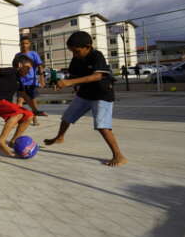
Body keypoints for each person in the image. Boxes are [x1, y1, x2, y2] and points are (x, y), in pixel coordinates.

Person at [44, 31, 127, 167]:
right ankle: (60, 137)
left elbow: (98, 76)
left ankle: (119, 156)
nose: (74, 55)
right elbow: (72, 77)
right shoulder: (76, 59)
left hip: (102, 94)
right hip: (85, 94)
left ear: (88, 46)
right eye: (72, 52)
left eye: (76, 51)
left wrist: (70, 82)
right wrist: (62, 82)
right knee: (66, 117)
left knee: (102, 127)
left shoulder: (96, 55)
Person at [15, 37, 46, 125]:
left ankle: (35, 119)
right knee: (19, 101)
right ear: (20, 45)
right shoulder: (17, 55)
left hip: (31, 83)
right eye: (22, 43)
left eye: (26, 43)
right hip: (20, 82)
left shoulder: (33, 54)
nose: (24, 45)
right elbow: (15, 68)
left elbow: (40, 67)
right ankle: (17, 119)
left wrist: (42, 79)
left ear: (29, 44)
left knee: (32, 102)